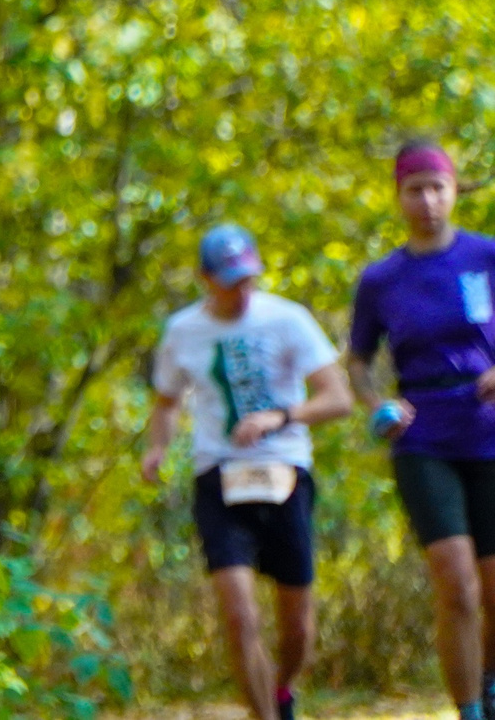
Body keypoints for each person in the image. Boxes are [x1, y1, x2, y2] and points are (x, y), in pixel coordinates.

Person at [143, 223, 352, 720]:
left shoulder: (287, 319)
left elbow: (338, 399)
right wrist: (157, 448)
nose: (242, 291)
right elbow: (167, 401)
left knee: (296, 626)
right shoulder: (183, 331)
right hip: (218, 473)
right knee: (239, 615)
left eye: (249, 279)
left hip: (285, 471)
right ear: (205, 279)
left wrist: (280, 417)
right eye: (230, 281)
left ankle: (283, 690)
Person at [350, 139, 495, 720]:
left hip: (487, 430)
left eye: (438, 187)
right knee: (456, 583)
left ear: (454, 190)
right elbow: (358, 359)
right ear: (399, 196)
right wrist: (376, 403)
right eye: (416, 189)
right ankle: (467, 711)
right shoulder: (382, 279)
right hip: (423, 437)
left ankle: (490, 684)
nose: (429, 200)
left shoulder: (486, 255)